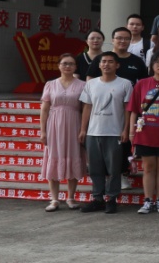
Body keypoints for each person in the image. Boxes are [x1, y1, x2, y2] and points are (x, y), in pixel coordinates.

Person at [78, 51, 131, 214]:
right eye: (103, 61)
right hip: (93, 132)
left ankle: (112, 199)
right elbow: (87, 107)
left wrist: (126, 129)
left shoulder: (125, 84)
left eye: (110, 61)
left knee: (114, 169)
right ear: (99, 65)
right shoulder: (91, 84)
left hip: (115, 133)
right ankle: (98, 198)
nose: (106, 64)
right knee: (95, 168)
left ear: (117, 65)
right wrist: (83, 129)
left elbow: (127, 109)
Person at [128, 53, 159, 213]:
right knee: (148, 167)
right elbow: (134, 109)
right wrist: (131, 132)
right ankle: (148, 200)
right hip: (145, 131)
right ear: (151, 65)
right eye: (156, 62)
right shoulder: (142, 84)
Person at [40, 54, 85, 211]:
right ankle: (54, 199)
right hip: (54, 125)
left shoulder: (83, 85)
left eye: (71, 64)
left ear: (75, 67)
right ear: (58, 65)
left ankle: (71, 197)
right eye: (64, 63)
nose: (68, 66)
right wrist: (43, 131)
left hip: (74, 123)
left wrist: (83, 129)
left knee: (73, 156)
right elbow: (45, 109)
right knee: (53, 157)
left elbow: (85, 108)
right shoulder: (50, 84)